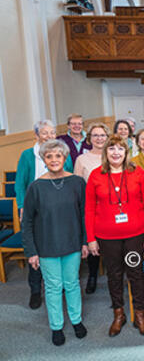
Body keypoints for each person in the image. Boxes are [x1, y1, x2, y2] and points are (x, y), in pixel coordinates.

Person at [21, 140, 88, 346]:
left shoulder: (77, 183)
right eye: (49, 156)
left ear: (65, 158)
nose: (54, 160)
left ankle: (76, 321)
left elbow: (85, 215)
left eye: (58, 156)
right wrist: (31, 251)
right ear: (44, 160)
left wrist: (85, 242)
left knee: (72, 284)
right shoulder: (36, 187)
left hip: (73, 243)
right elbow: (28, 221)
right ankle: (57, 326)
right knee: (53, 287)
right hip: (46, 245)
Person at [86, 135, 144, 337]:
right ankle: (119, 313)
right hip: (107, 236)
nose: (116, 153)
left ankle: (139, 315)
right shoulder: (96, 175)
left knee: (135, 272)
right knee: (114, 274)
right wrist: (91, 238)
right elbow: (89, 209)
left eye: (120, 149)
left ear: (126, 152)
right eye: (112, 149)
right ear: (106, 152)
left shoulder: (137, 173)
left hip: (134, 234)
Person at [16, 120, 73, 310]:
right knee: (38, 249)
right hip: (36, 207)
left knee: (61, 247)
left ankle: (63, 287)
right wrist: (23, 206)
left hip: (59, 207)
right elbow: (20, 184)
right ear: (36, 135)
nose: (49, 136)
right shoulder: (27, 155)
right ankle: (35, 290)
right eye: (45, 133)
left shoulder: (64, 153)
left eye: (52, 132)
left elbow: (70, 176)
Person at [73, 122, 109, 294]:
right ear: (89, 138)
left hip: (113, 207)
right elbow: (77, 186)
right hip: (92, 207)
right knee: (93, 241)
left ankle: (115, 277)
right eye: (95, 135)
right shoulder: (82, 159)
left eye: (102, 135)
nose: (99, 138)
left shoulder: (114, 155)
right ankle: (93, 275)